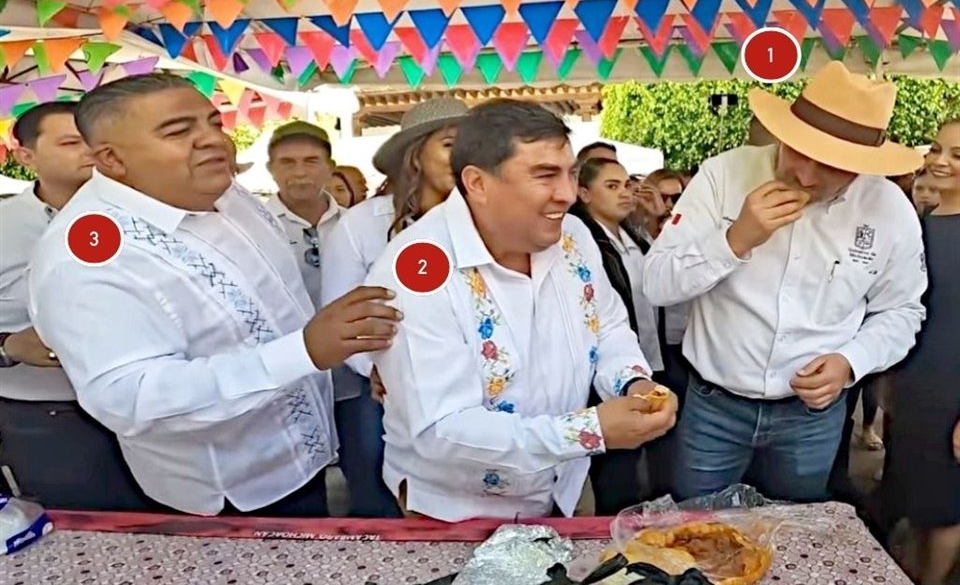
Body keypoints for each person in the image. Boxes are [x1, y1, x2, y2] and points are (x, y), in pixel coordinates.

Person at [27, 74, 401, 516]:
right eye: (179, 131)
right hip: (230, 493)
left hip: (304, 454)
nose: (213, 141)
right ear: (111, 159)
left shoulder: (226, 193)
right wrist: (303, 352)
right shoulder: (87, 257)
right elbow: (134, 399)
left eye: (213, 123)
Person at [365, 99, 677, 522]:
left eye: (569, 173)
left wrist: (633, 384)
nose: (567, 194)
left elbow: (607, 326)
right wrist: (589, 432)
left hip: (564, 487)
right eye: (544, 175)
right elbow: (440, 431)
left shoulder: (573, 235)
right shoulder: (415, 270)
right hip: (458, 510)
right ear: (477, 183)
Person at [643, 61, 926, 503]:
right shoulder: (724, 175)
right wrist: (736, 240)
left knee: (796, 533)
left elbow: (903, 309)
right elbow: (657, 284)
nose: (807, 176)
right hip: (713, 406)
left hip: (811, 418)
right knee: (696, 530)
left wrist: (851, 361)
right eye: (797, 151)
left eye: (833, 165)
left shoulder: (888, 209)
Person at [0, 102, 153, 511]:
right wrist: (9, 346)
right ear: (25, 156)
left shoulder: (148, 217)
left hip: (150, 404)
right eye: (71, 142)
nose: (88, 151)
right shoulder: (3, 225)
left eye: (94, 140)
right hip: (48, 415)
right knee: (83, 532)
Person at [320, 97, 468, 518]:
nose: (464, 158)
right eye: (450, 145)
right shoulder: (363, 223)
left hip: (470, 388)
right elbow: (341, 314)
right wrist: (379, 370)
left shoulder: (489, 222)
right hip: (380, 391)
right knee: (383, 498)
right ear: (415, 155)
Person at [885, 119, 960, 585]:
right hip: (916, 391)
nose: (940, 161)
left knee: (947, 508)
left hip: (954, 394)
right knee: (916, 503)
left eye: (958, 154)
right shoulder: (920, 224)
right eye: (936, 148)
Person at [569, 155, 664, 513]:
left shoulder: (632, 234)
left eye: (627, 185)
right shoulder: (582, 241)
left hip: (643, 358)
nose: (625, 193)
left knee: (647, 453)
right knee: (617, 468)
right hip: (605, 372)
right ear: (584, 193)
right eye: (611, 186)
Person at [266, 121, 342, 309]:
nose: (300, 172)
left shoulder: (356, 224)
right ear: (270, 169)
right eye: (287, 162)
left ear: (330, 167)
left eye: (311, 161)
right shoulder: (254, 229)